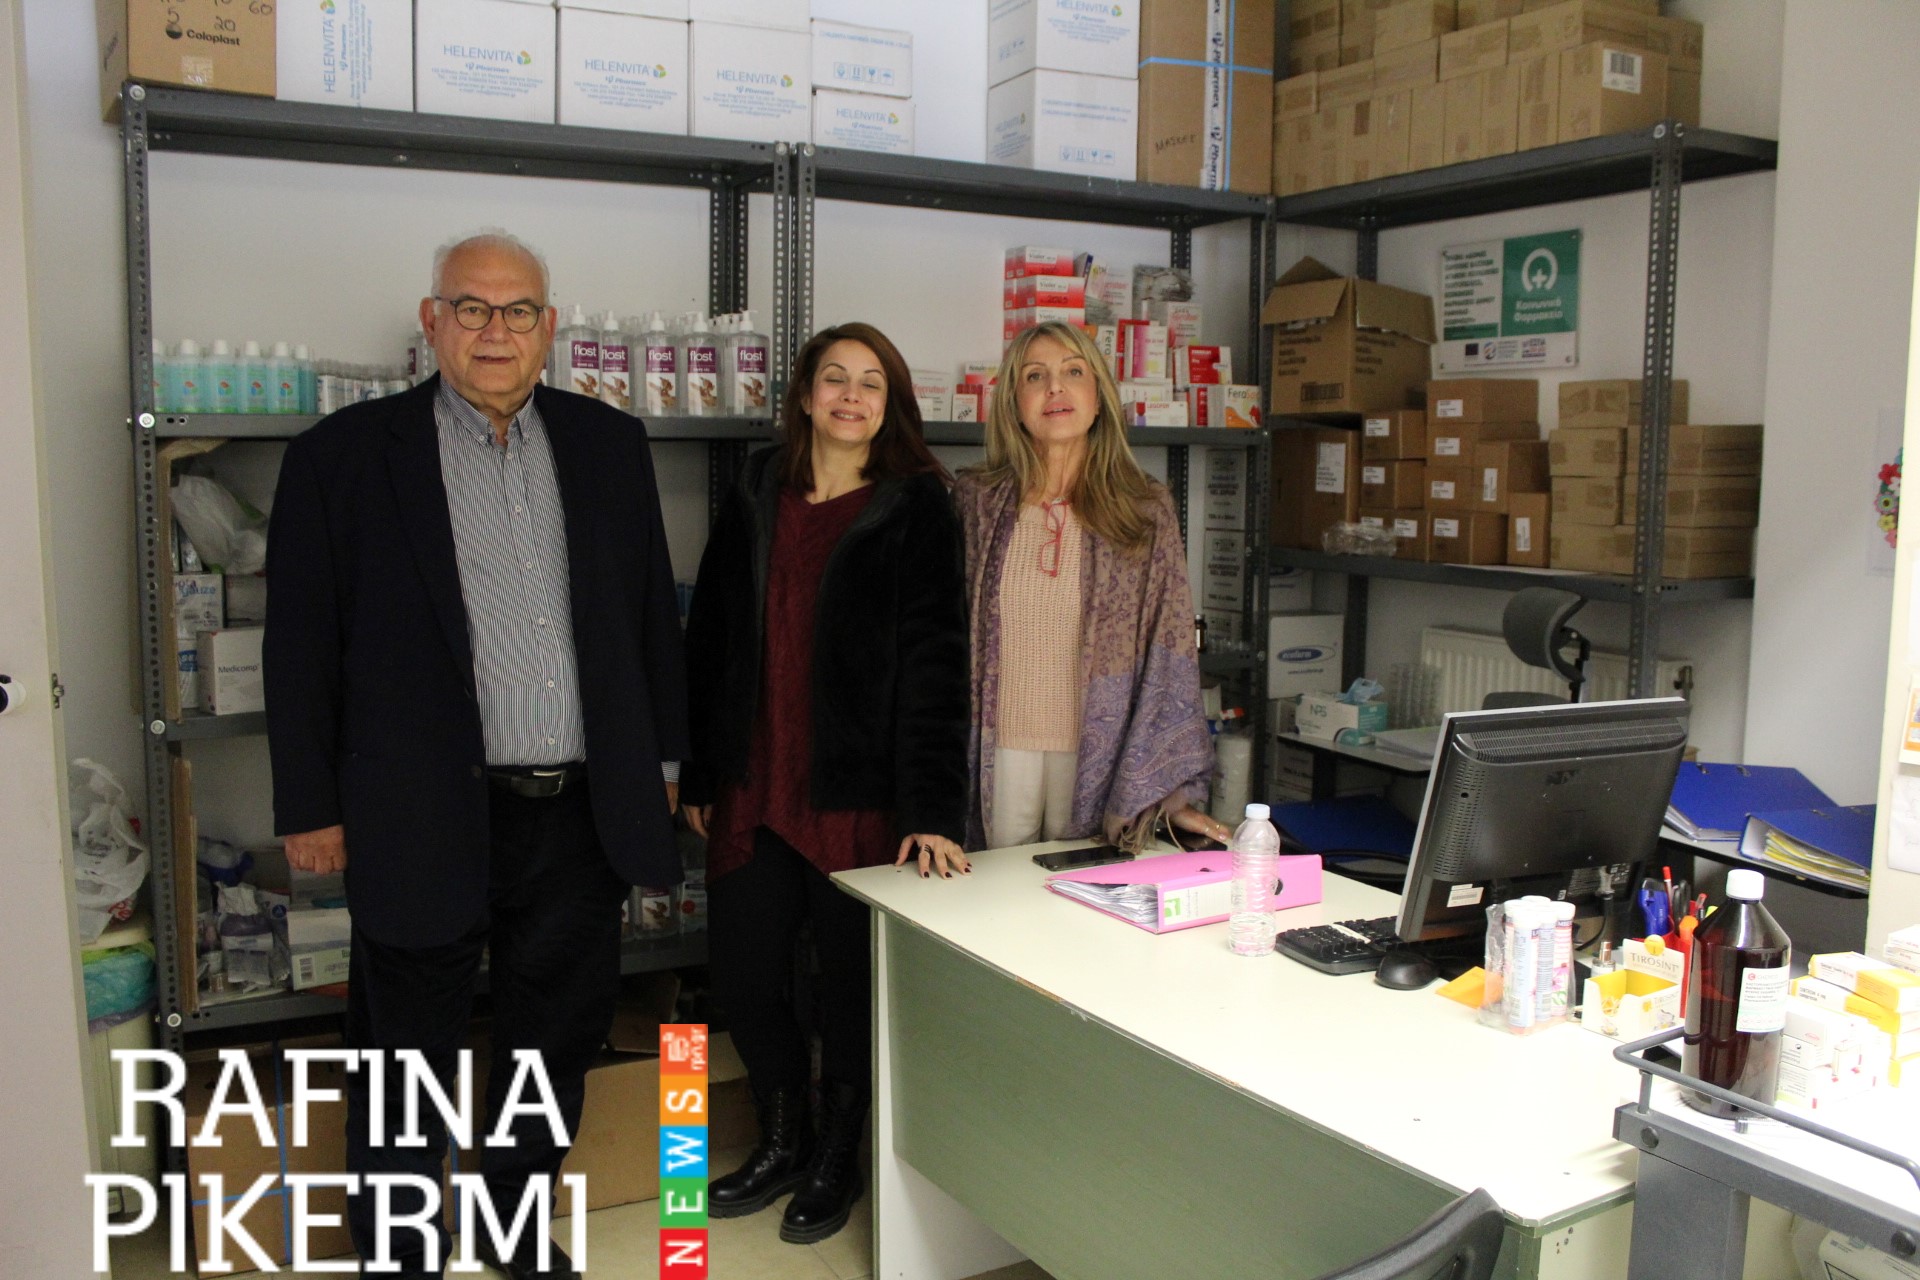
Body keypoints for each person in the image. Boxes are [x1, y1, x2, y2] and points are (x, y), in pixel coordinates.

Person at [264, 230, 687, 1280]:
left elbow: (647, 621)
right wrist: (309, 804)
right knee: (405, 1052)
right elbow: (299, 646)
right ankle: (402, 1247)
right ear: (432, 320)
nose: (496, 330)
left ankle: (508, 1222)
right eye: (472, 307)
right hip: (421, 810)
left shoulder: (607, 444)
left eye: (518, 310)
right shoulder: (344, 456)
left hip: (579, 812)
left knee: (553, 1040)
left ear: (550, 327)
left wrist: (668, 765)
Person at [681, 321, 969, 1245]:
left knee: (849, 989)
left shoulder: (917, 506)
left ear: (891, 405)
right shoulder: (756, 489)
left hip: (859, 795)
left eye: (870, 383)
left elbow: (937, 666)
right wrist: (701, 768)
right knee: (746, 977)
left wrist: (932, 810)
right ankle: (783, 1139)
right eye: (834, 379)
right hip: (755, 782)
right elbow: (712, 638)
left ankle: (839, 1156)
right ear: (805, 396)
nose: (850, 396)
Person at [955, 320, 1226, 853]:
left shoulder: (1142, 510)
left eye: (1074, 372)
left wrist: (1166, 788)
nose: (1055, 387)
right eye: (1035, 376)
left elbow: (1170, 644)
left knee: (1080, 894)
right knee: (993, 891)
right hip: (995, 752)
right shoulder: (975, 503)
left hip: (1100, 759)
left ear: (1099, 398)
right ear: (1014, 403)